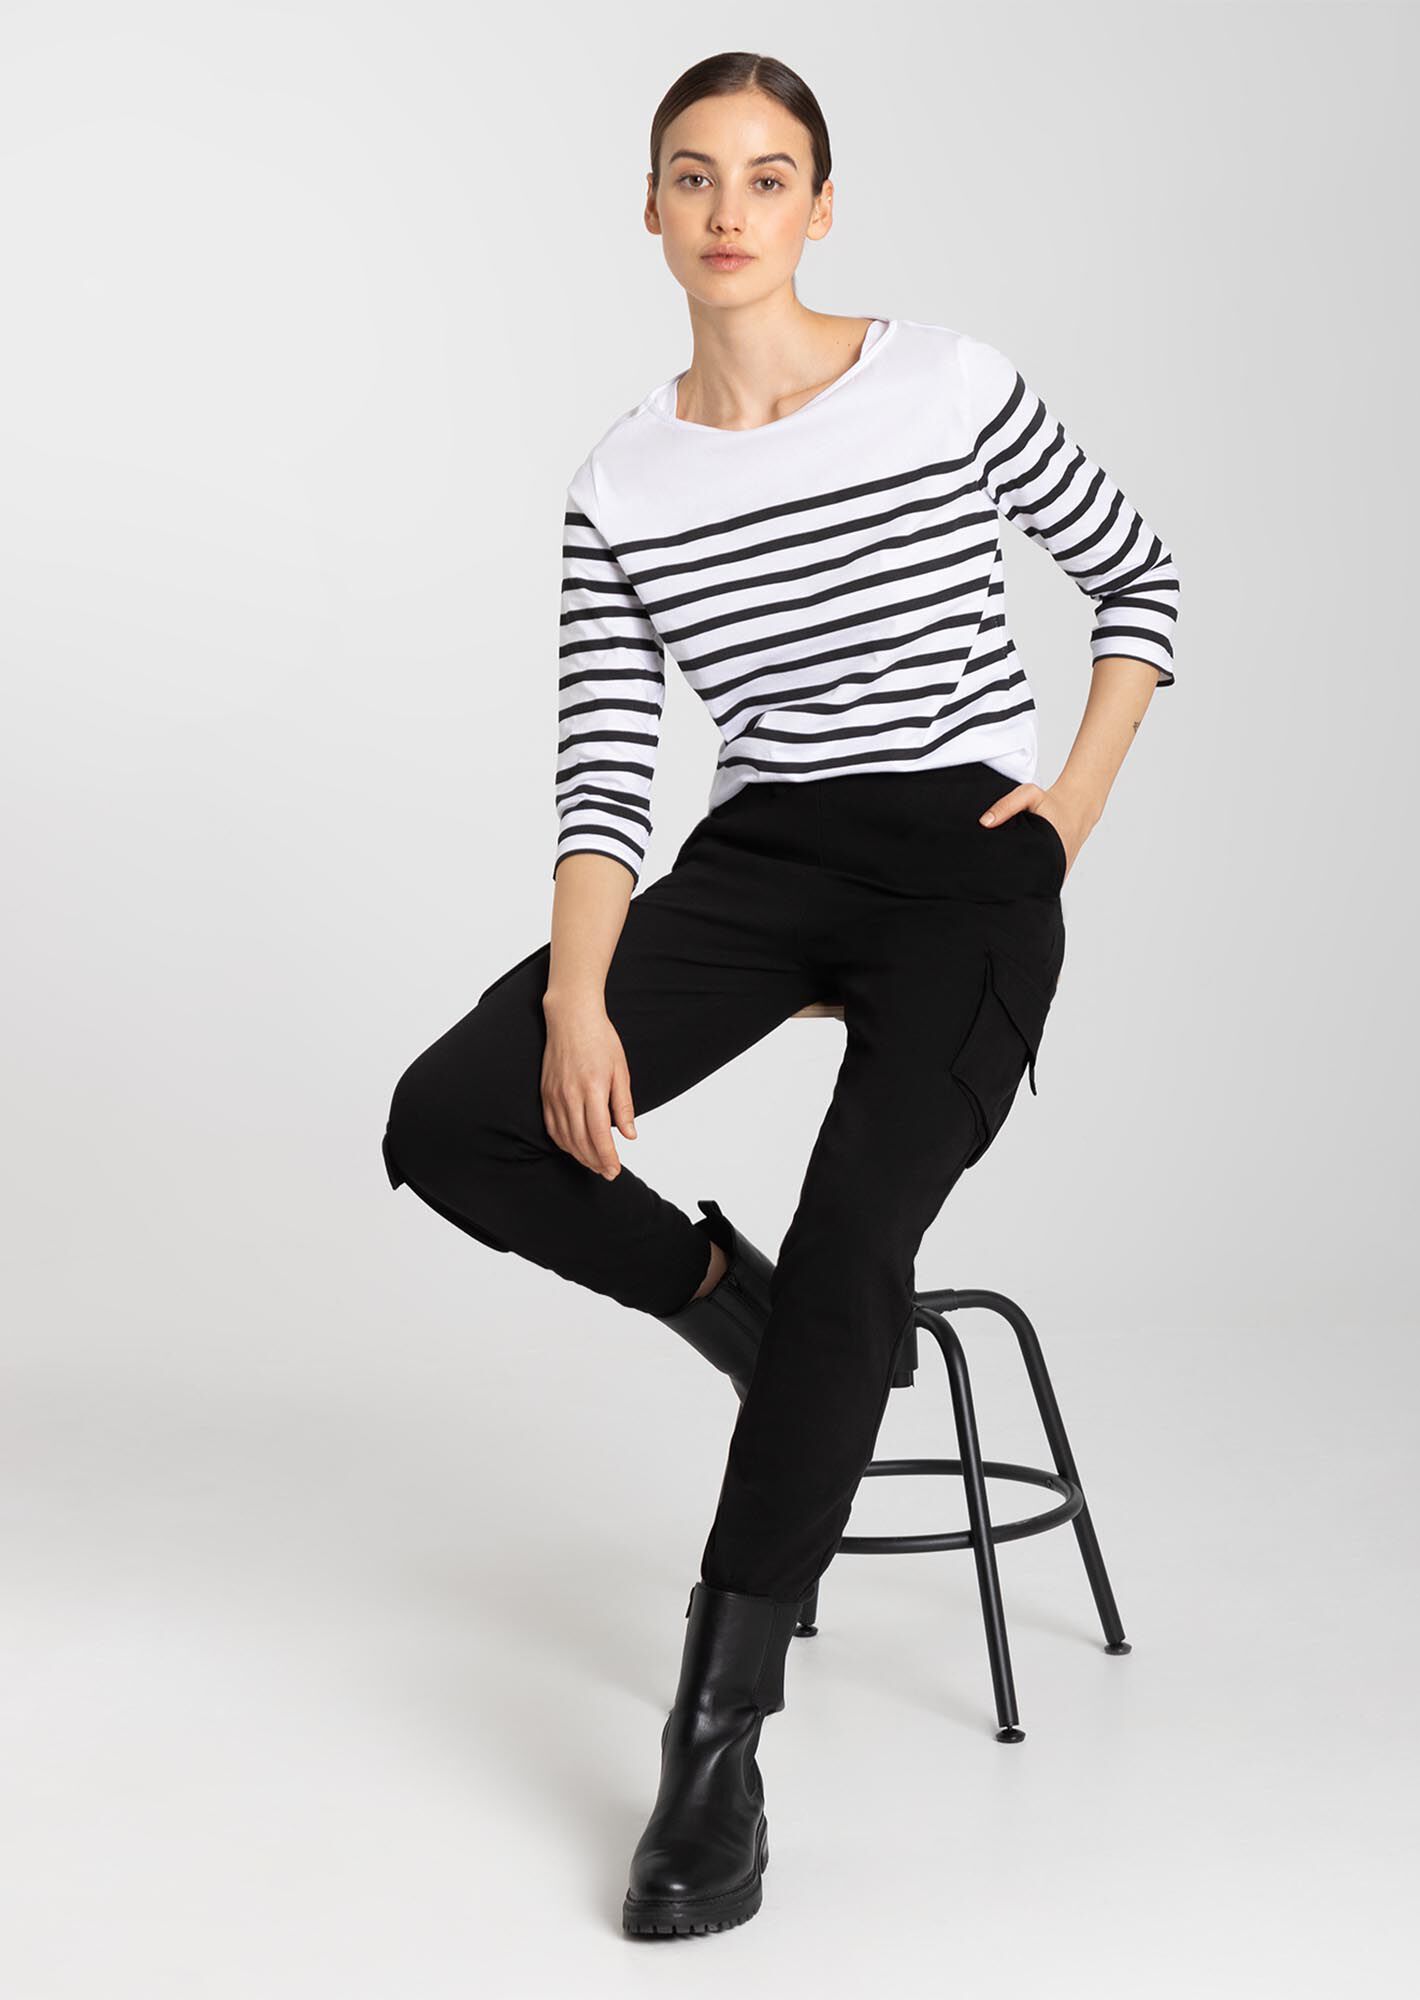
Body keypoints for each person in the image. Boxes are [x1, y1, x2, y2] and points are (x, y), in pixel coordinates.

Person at [380, 50, 1180, 1938]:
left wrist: (1064, 815)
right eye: (694, 174)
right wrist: (579, 1000)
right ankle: (721, 1303)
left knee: (856, 1253)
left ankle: (717, 1742)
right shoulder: (623, 481)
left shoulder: (944, 384)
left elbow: (1137, 581)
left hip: (961, 867)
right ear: (652, 210)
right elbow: (607, 771)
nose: (729, 210)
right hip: (759, 864)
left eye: (767, 175)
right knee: (453, 1116)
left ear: (822, 207)